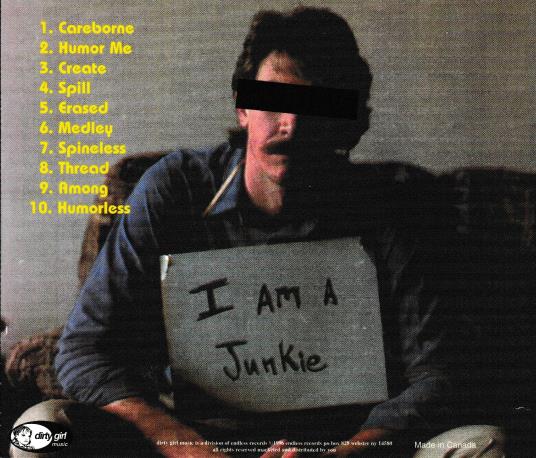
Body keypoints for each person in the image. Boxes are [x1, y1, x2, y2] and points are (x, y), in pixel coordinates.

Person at [14, 7, 507, 458]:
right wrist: (184, 447)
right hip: (190, 439)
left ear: (349, 124)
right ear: (243, 107)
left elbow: (436, 371)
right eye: (274, 101)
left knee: (483, 445)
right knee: (38, 431)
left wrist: (347, 453)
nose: (291, 124)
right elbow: (84, 350)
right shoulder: (174, 188)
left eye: (316, 108)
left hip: (342, 442)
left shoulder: (389, 207)